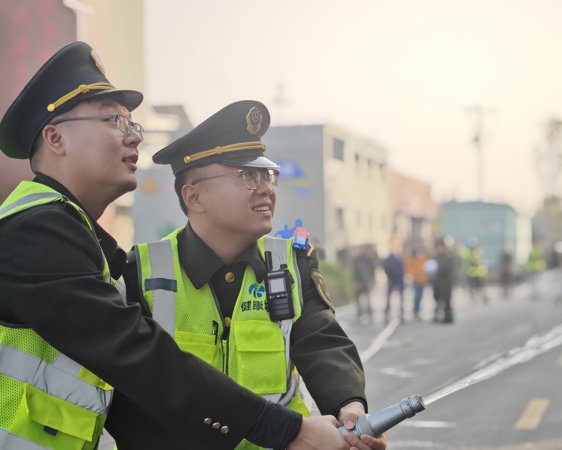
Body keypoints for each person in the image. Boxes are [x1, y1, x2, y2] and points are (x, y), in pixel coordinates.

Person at [0, 42, 365, 450]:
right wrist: (287, 430)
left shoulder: (78, 237)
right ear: (55, 137)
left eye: (133, 125)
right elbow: (136, 356)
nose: (133, 137)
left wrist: (348, 404)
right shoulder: (38, 232)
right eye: (115, 121)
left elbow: (320, 338)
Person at [125, 100, 386, 450]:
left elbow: (321, 342)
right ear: (194, 196)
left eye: (267, 175)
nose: (265, 188)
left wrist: (350, 406)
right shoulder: (140, 272)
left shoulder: (292, 263)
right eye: (247, 175)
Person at [431, 236, 458, 323]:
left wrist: (438, 269)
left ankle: (448, 317)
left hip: (446, 282)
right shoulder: (435, 257)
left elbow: (449, 269)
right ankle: (437, 316)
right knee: (437, 299)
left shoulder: (448, 256)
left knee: (447, 300)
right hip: (437, 282)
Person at [352, 243, 378, 322]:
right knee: (358, 299)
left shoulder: (370, 259)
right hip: (359, 281)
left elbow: (373, 270)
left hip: (367, 281)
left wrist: (372, 281)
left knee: (368, 298)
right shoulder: (357, 259)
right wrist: (355, 282)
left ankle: (370, 313)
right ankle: (359, 314)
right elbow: (354, 271)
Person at [404, 241, 428, 321]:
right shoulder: (411, 257)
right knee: (417, 296)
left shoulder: (424, 256)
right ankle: (415, 311)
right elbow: (409, 268)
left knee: (420, 296)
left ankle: (417, 311)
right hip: (416, 280)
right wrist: (414, 275)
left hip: (422, 280)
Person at [462, 236, 488, 303]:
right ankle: (473, 298)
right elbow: (465, 262)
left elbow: (481, 262)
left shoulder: (478, 251)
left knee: (480, 287)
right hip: (471, 273)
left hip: (478, 273)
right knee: (472, 287)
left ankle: (483, 298)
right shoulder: (467, 252)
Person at [381, 248, 405, 323]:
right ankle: (399, 312)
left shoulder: (391, 261)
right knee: (394, 298)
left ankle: (390, 312)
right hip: (395, 280)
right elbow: (398, 272)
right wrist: (396, 282)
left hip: (394, 280)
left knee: (393, 298)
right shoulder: (397, 260)